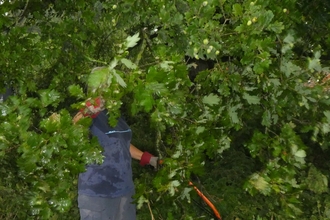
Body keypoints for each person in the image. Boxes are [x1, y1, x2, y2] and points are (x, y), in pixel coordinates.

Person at [73, 97, 158, 220]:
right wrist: (89, 109)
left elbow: (122, 143)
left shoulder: (115, 116)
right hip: (98, 193)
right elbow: (73, 129)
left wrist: (148, 158)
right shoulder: (90, 115)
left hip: (125, 189)